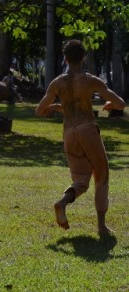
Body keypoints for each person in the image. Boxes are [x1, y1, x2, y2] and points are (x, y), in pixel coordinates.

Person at [35, 39, 125, 236]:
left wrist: (61, 107)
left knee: (81, 180)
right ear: (83, 57)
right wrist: (111, 103)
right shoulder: (91, 80)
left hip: (69, 133)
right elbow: (120, 102)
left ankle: (62, 202)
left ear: (65, 59)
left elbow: (40, 110)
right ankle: (101, 226)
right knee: (101, 175)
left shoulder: (57, 82)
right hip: (87, 129)